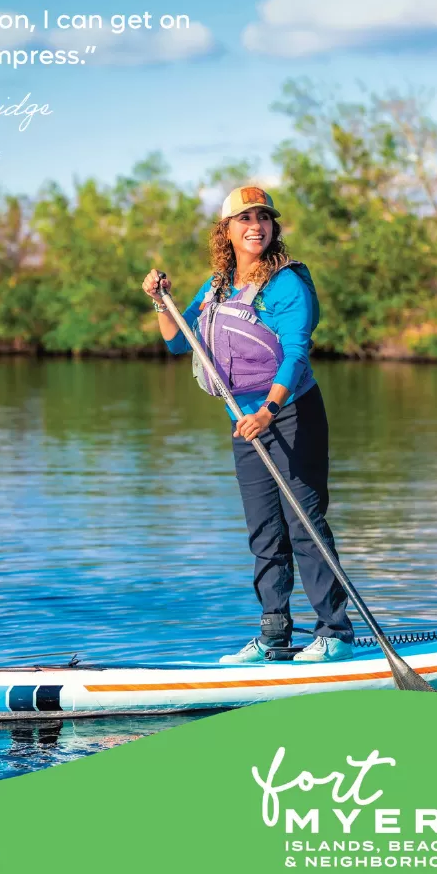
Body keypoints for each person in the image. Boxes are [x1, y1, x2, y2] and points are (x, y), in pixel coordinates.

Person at [141, 184, 354, 664]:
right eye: (245, 219)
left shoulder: (286, 283)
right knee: (264, 532)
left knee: (305, 525)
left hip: (290, 412)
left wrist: (268, 411)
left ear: (273, 227)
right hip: (243, 422)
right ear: (226, 230)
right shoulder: (217, 286)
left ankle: (335, 633)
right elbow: (178, 342)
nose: (256, 226)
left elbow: (296, 353)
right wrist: (161, 301)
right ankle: (274, 636)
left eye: (264, 218)